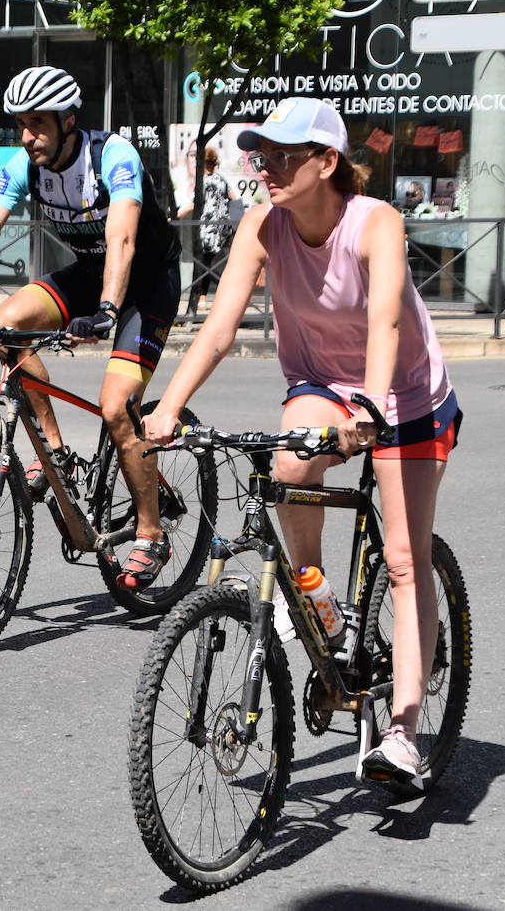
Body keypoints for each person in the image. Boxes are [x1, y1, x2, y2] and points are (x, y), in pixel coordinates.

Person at [141, 97, 463, 793]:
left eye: (286, 156)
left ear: (327, 162)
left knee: (405, 560)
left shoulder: (376, 222)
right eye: (263, 155)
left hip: (403, 392)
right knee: (289, 464)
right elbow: (220, 329)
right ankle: (316, 598)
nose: (268, 168)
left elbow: (385, 324)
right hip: (319, 379)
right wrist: (168, 407)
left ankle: (404, 733)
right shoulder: (261, 226)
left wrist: (373, 406)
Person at [0, 66, 183, 590]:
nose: (28, 135)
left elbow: (122, 238)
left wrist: (106, 310)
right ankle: (55, 451)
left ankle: (152, 533)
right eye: (21, 125)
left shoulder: (112, 155)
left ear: (67, 121)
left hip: (145, 283)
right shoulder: (23, 164)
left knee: (115, 408)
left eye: (38, 124)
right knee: (7, 324)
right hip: (87, 271)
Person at [179, 145, 238, 322]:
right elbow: (234, 197)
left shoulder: (203, 182)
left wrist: (172, 216)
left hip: (207, 228)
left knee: (204, 266)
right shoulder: (221, 179)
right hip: (222, 228)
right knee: (207, 262)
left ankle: (227, 292)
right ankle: (202, 299)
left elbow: (193, 205)